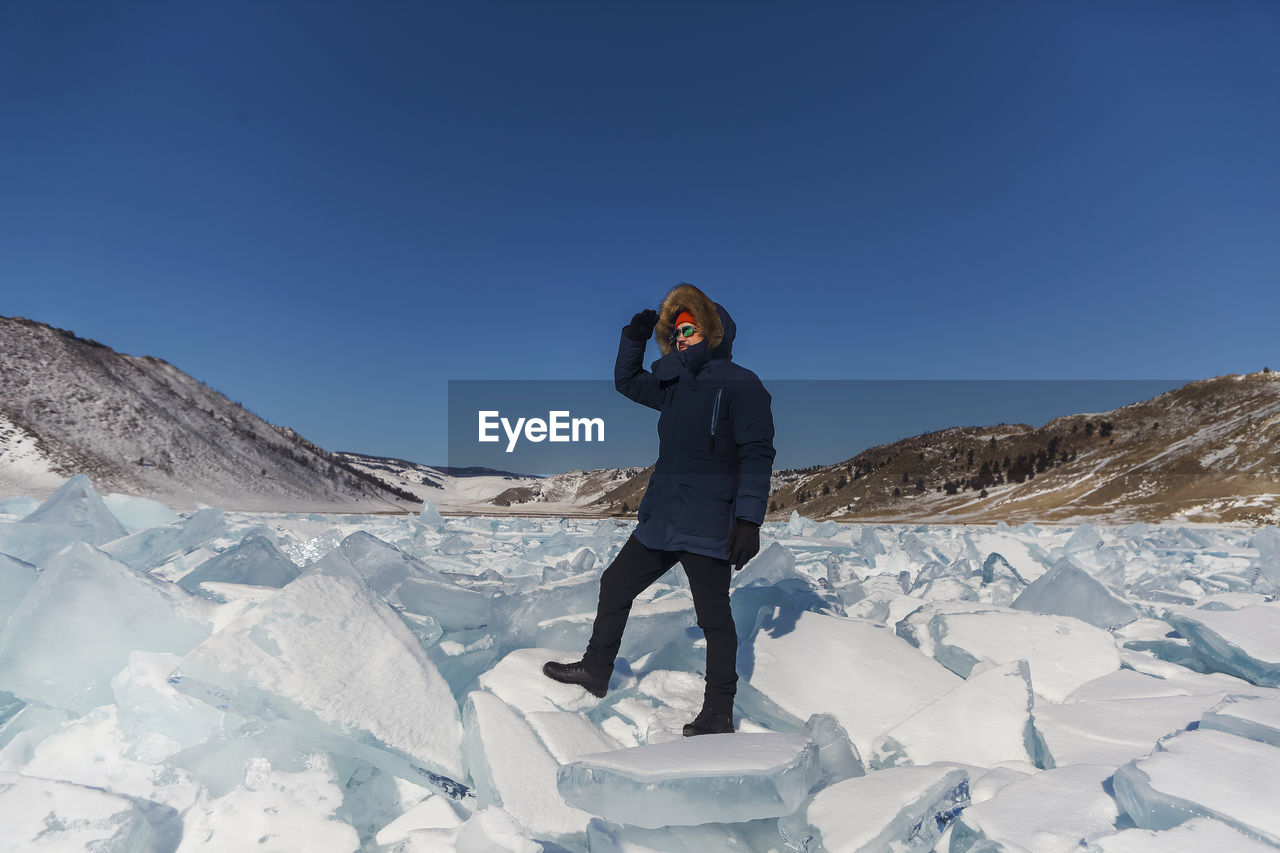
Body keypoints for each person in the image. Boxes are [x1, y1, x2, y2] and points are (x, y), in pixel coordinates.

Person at [543, 282, 776, 736]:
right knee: (615, 585)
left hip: (709, 521)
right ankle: (596, 669)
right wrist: (633, 339)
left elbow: (756, 454)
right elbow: (626, 383)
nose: (681, 336)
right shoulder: (672, 385)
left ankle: (718, 710)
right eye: (675, 330)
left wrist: (749, 519)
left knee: (713, 618)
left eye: (689, 328)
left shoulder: (742, 384)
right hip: (663, 518)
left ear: (713, 331)